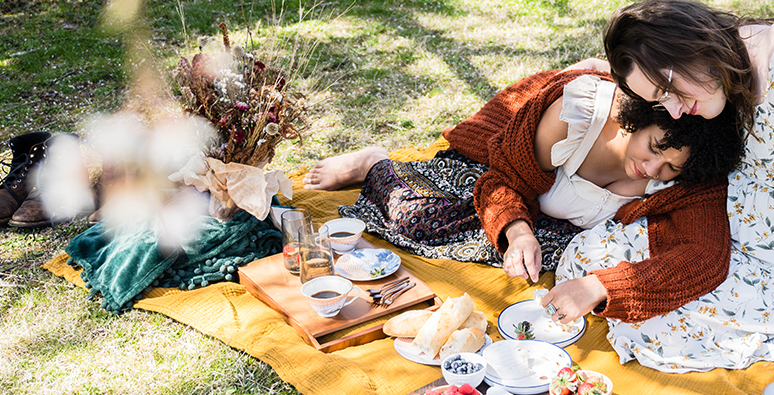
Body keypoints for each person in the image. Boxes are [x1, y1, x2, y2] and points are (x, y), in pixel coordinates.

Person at [545, 0, 774, 382]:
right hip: (738, 219)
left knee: (659, 322)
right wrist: (598, 71)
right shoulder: (723, 62)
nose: (676, 111)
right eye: (659, 100)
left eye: (667, 89)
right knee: (592, 256)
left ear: (690, 44)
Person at [303, 68, 745, 314]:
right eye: (652, 148)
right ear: (640, 114)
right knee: (416, 213)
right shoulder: (577, 113)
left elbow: (704, 257)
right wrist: (516, 231)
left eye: (668, 168)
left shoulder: (689, 177)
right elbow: (501, 179)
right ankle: (377, 163)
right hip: (494, 167)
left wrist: (600, 287)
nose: (650, 168)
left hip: (553, 222)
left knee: (566, 256)